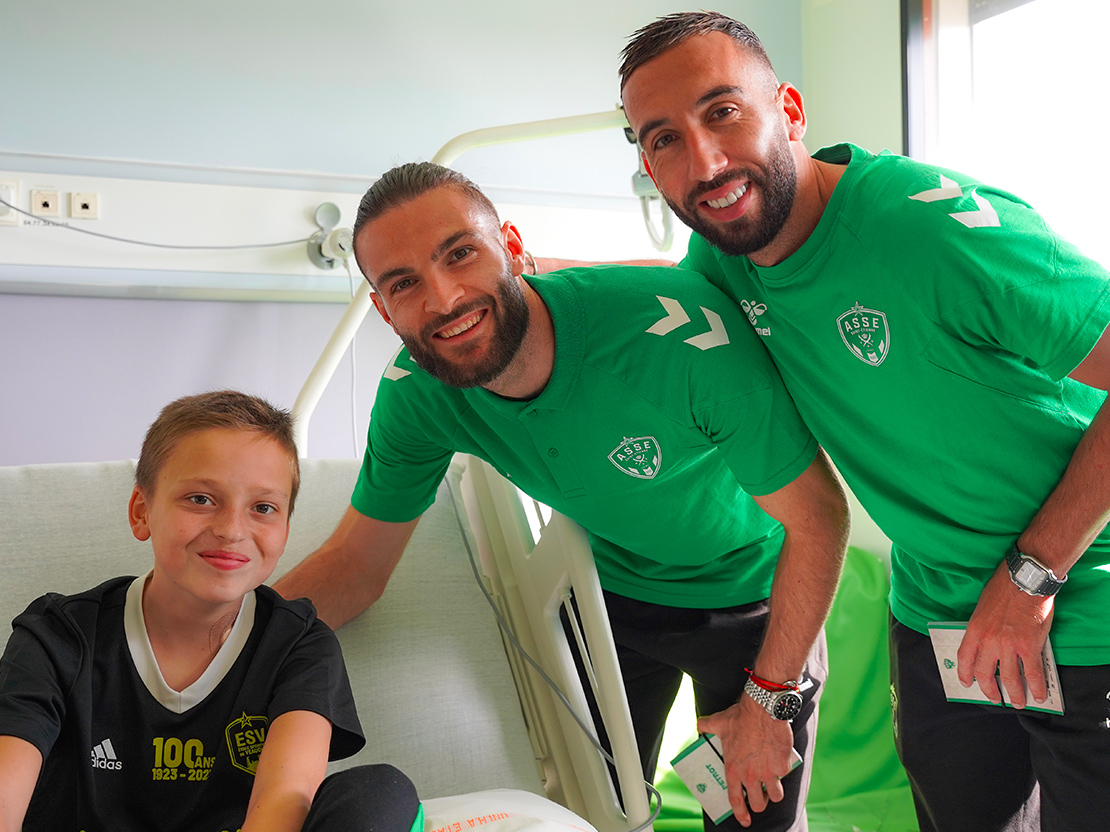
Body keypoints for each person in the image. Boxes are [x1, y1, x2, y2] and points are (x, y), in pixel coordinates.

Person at [616, 11, 1110, 832]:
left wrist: (1032, 578)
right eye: (663, 139)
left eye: (723, 111)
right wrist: (504, 287)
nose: (703, 160)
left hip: (1081, 593)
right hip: (936, 620)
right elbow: (633, 299)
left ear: (791, 110)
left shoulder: (934, 229)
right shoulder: (725, 263)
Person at [275, 161, 850, 831]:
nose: (444, 298)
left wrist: (771, 698)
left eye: (460, 253)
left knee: (754, 815)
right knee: (588, 813)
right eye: (404, 283)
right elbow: (355, 567)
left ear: (512, 246)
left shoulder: (676, 336)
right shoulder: (418, 395)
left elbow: (819, 520)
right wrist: (222, 641)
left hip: (759, 599)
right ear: (382, 307)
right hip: (613, 599)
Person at [0, 390, 422, 832]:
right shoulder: (58, 636)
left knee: (382, 792)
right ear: (141, 511)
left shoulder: (299, 644)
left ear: (284, 529)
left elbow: (284, 802)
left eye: (263, 508)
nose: (231, 530)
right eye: (201, 499)